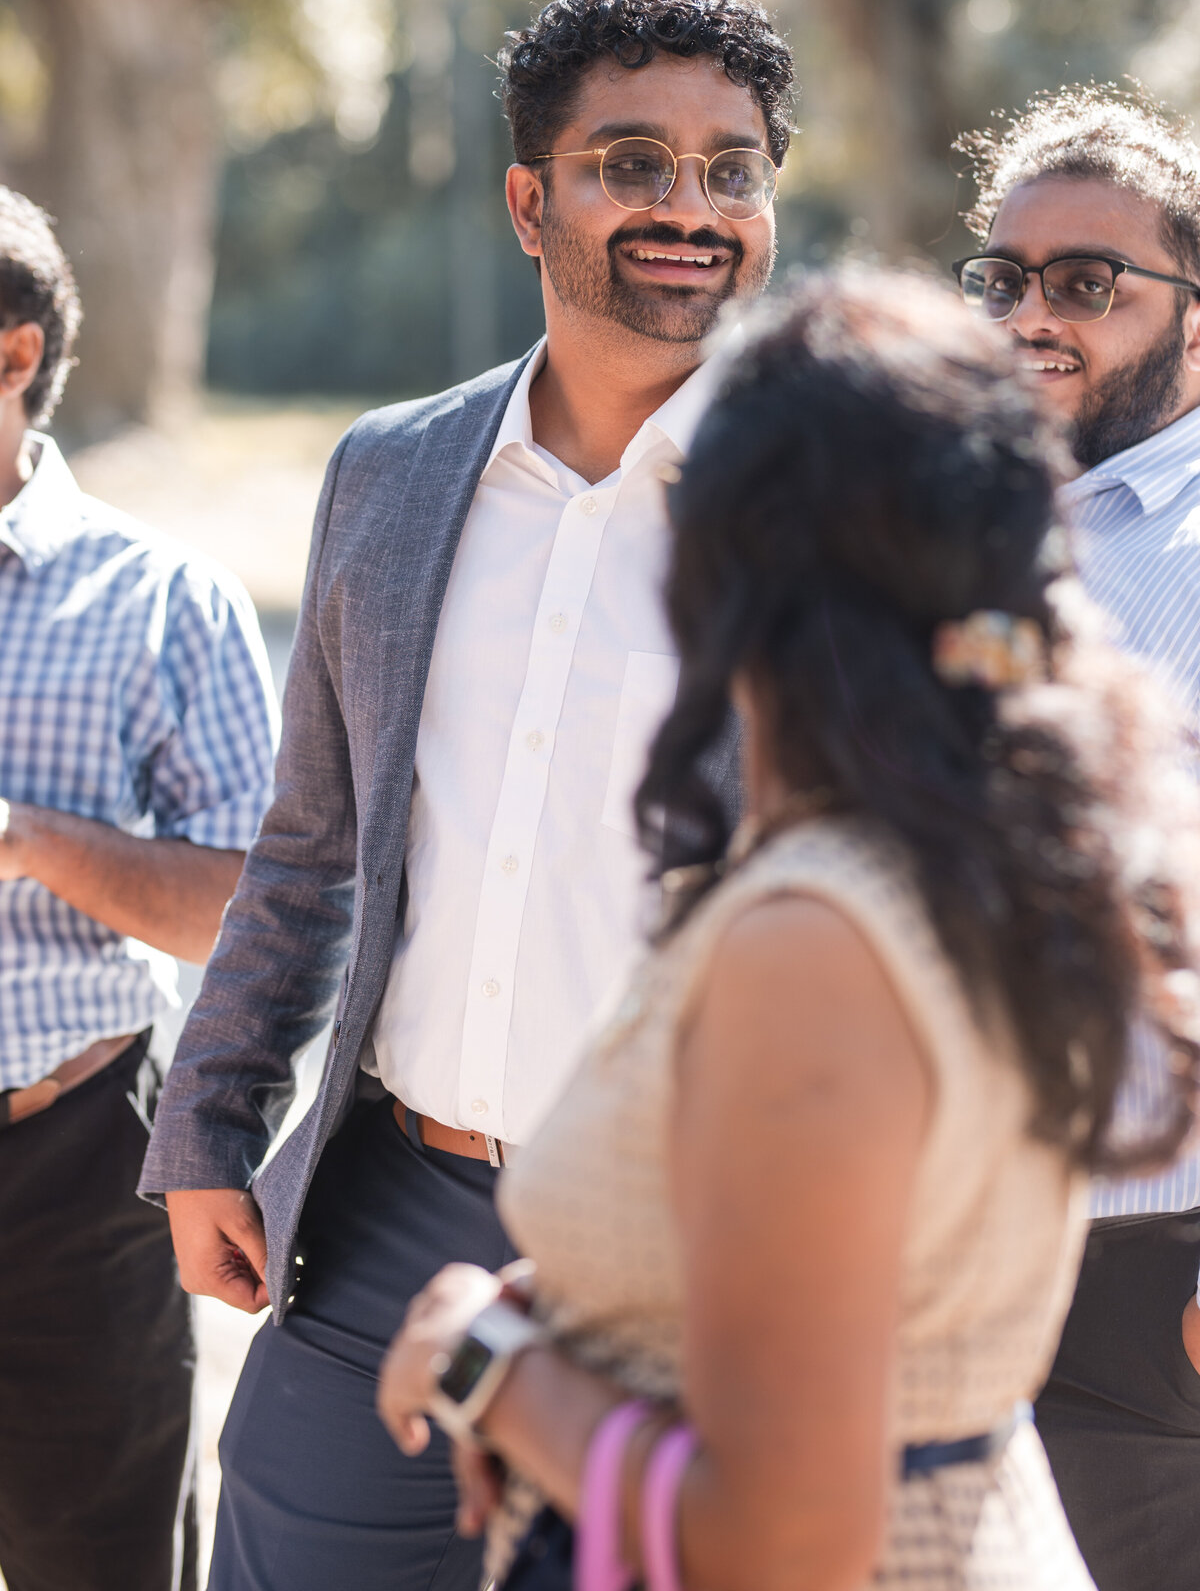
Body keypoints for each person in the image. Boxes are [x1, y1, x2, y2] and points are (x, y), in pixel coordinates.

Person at [378, 268, 1200, 1591]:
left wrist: (483, 1358)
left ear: (730, 561)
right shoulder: (994, 850)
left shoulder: (818, 940)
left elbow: (783, 1545)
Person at [138, 0, 793, 1591]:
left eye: (731, 168)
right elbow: (312, 843)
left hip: (691, 1254)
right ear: (527, 202)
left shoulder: (824, 507)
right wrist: (209, 1121)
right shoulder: (393, 474)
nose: (689, 207)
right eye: (629, 161)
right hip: (391, 1208)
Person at [0, 187, 279, 1591]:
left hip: (68, 1166)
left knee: (94, 1569)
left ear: (10, 356)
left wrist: (23, 836)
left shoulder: (163, 598)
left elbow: (254, 906)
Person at [953, 86, 1200, 1591]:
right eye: (1005, 277)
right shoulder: (964, 525)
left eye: (1088, 282)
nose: (1033, 313)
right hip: (945, 1250)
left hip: (1145, 1266)